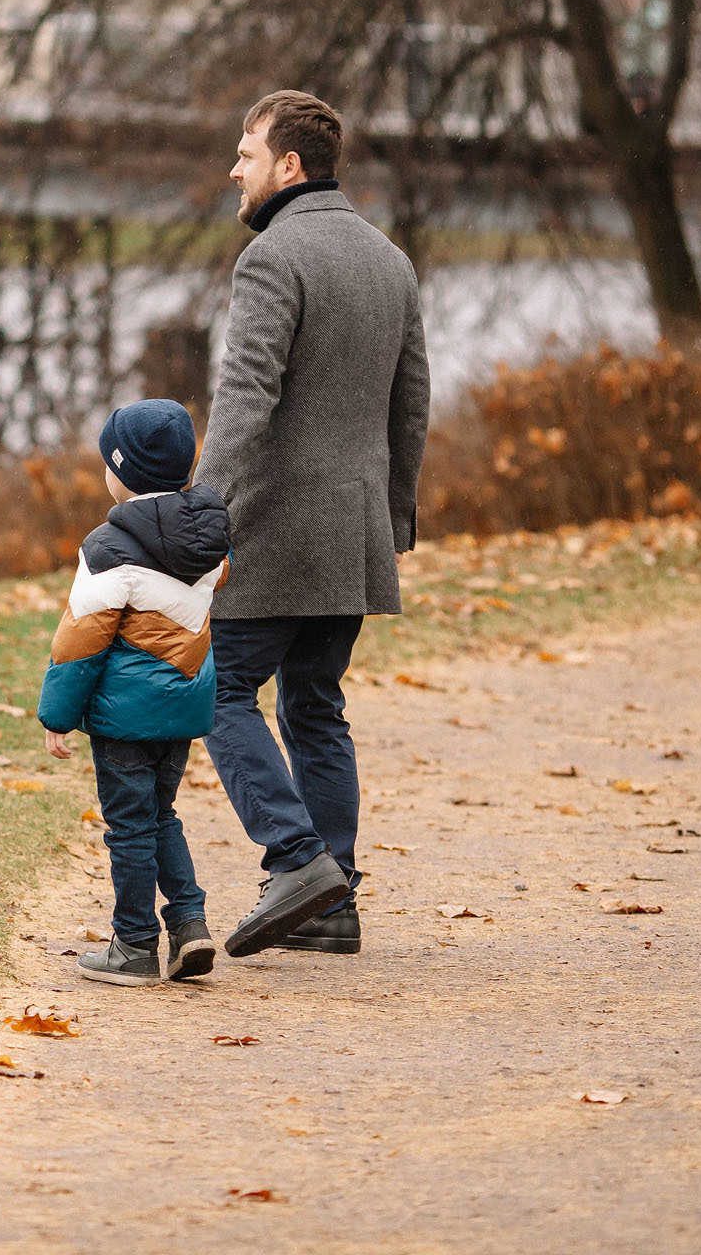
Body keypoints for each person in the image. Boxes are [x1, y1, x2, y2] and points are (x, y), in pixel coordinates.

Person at [195, 90, 430, 958]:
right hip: (355, 531)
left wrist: (199, 512)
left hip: (278, 528)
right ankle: (334, 903)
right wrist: (392, 515)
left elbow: (246, 396)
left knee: (216, 690)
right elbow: (412, 405)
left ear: (289, 166)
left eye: (246, 153)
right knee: (316, 708)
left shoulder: (273, 259)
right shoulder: (389, 262)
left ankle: (296, 860)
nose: (235, 169)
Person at [37, 399, 232, 986]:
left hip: (126, 716)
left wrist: (57, 714)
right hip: (184, 706)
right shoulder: (209, 538)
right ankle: (190, 924)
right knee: (160, 813)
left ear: (121, 471)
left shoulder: (109, 548)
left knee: (129, 826)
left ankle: (135, 945)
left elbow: (81, 641)